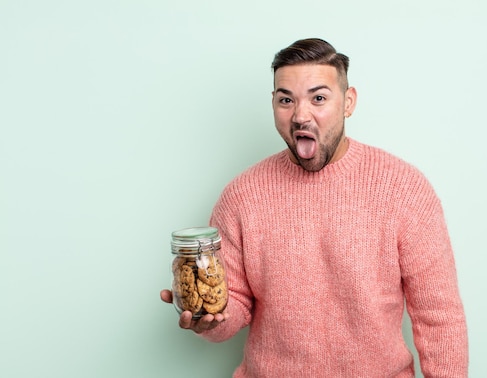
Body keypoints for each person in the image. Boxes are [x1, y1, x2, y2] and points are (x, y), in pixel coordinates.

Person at [161, 38, 468, 377]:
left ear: (348, 102)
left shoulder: (404, 188)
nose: (300, 115)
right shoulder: (242, 195)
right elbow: (231, 305)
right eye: (286, 100)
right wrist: (209, 319)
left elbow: (439, 317)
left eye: (318, 98)